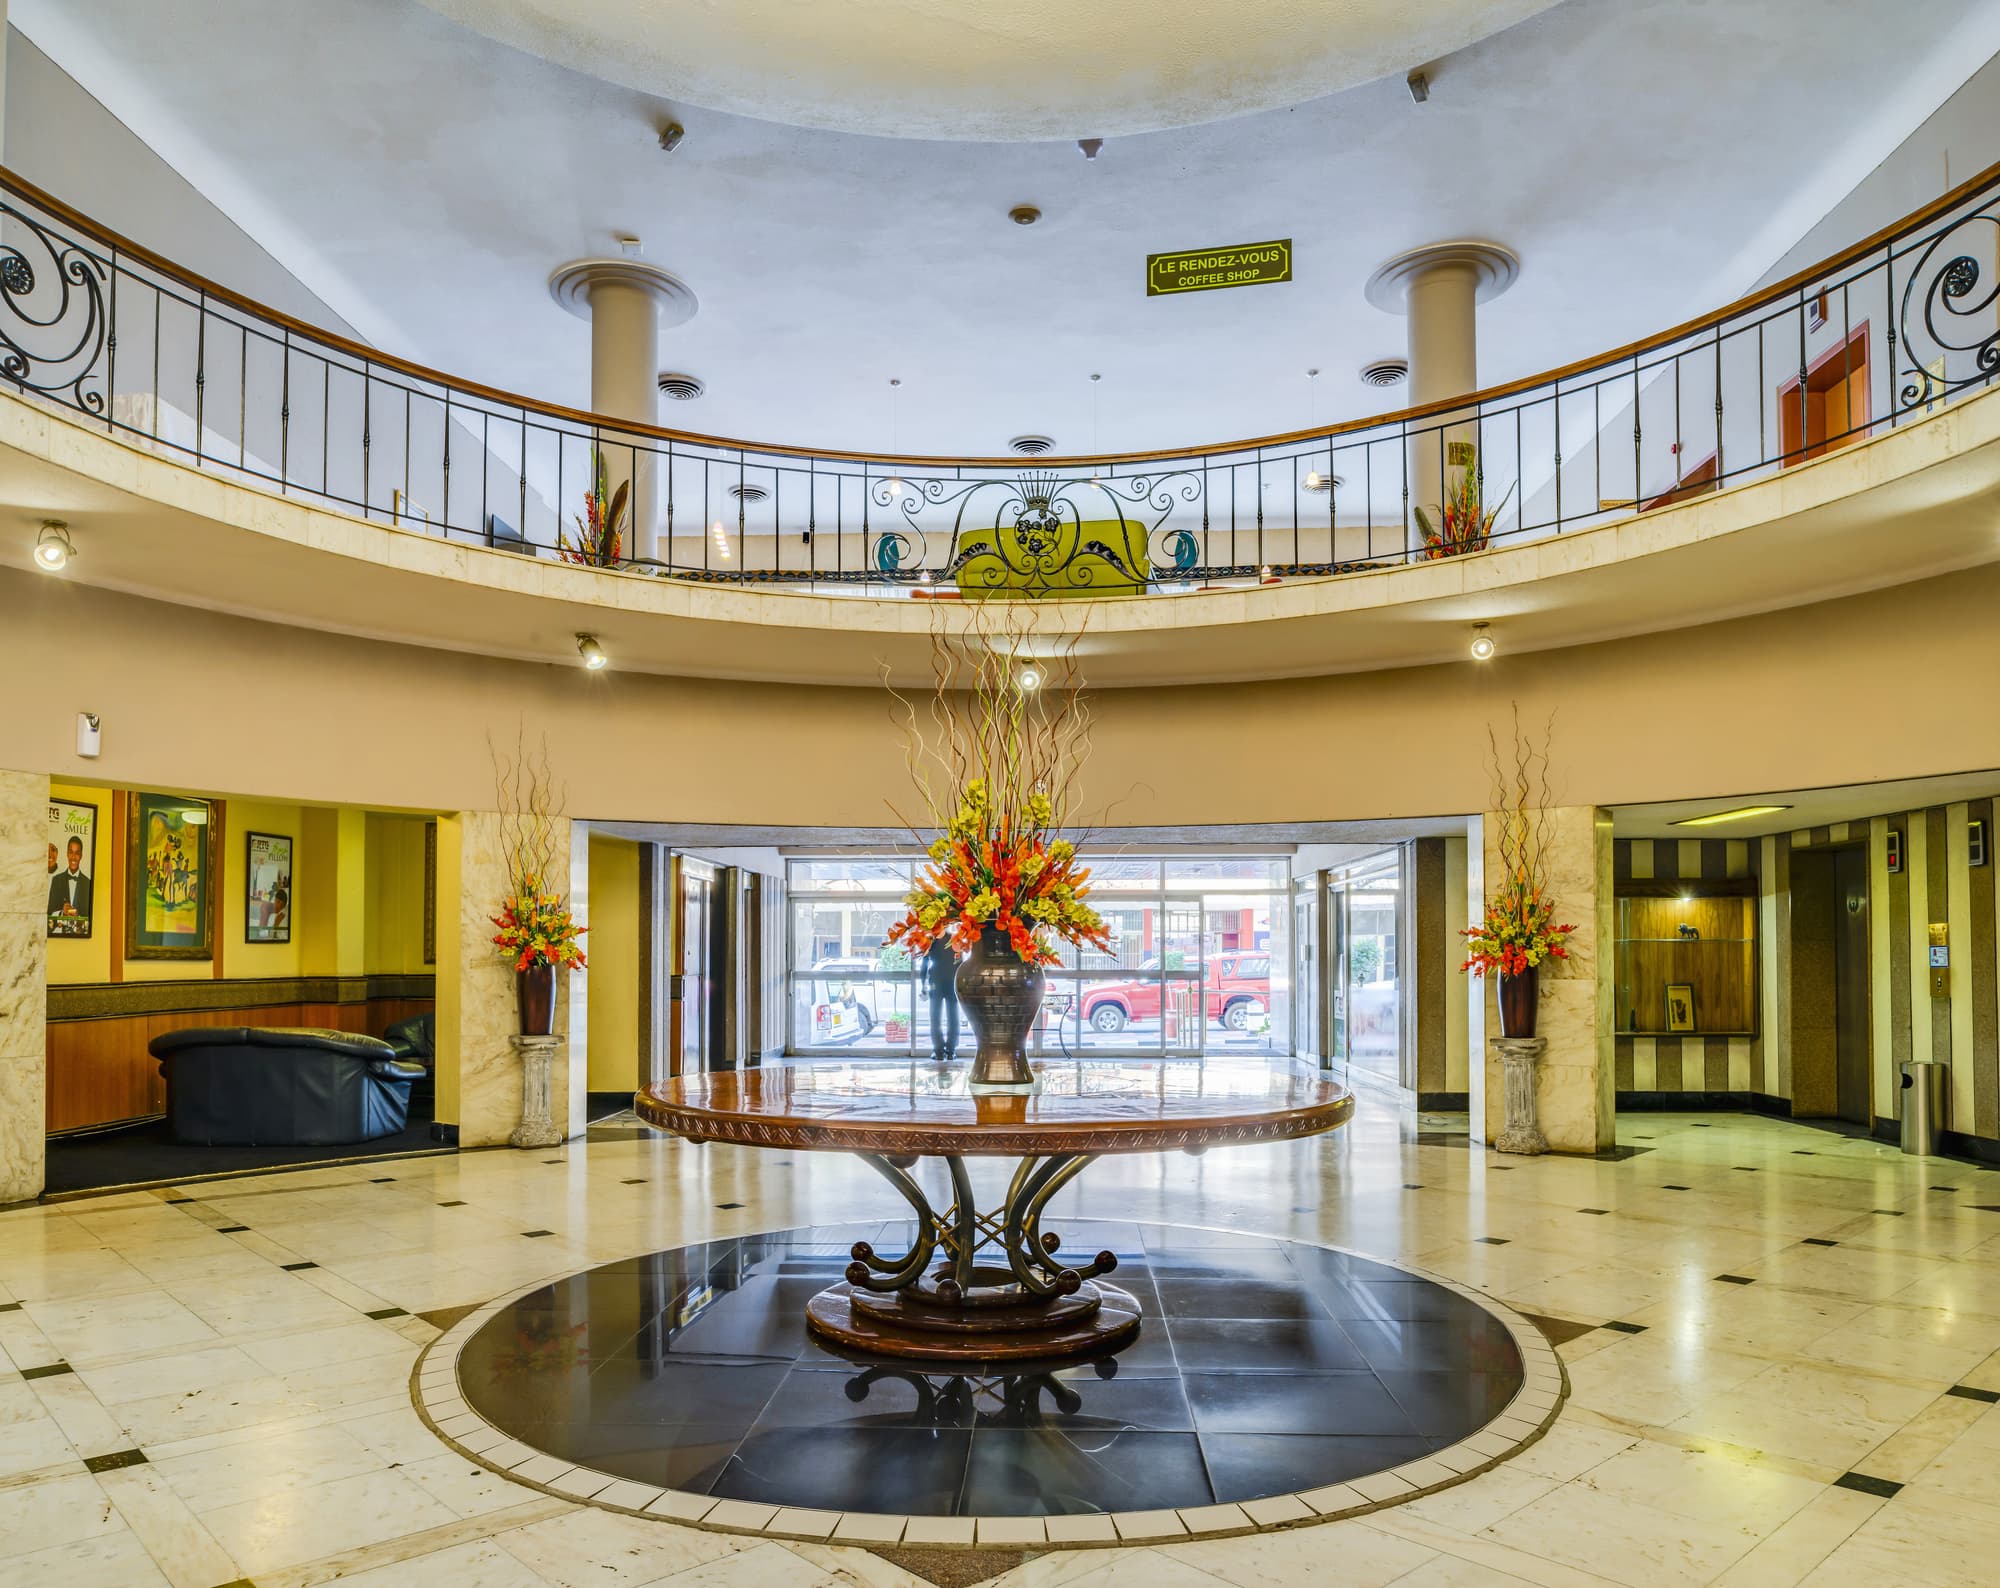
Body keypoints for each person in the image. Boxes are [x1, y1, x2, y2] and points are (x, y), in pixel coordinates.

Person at [922, 935, 961, 1061]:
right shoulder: (950, 939)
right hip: (945, 981)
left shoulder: (932, 940)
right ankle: (946, 1050)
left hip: (941, 982)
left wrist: (923, 984)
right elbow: (959, 962)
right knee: (946, 1016)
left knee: (941, 1016)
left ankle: (943, 1050)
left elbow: (924, 963)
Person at [48, 835, 91, 926]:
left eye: (77, 853)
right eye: (71, 852)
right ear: (67, 854)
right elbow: (49, 915)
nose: (73, 857)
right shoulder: (56, 880)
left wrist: (79, 919)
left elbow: (91, 918)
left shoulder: (88, 884)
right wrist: (62, 913)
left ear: (81, 856)